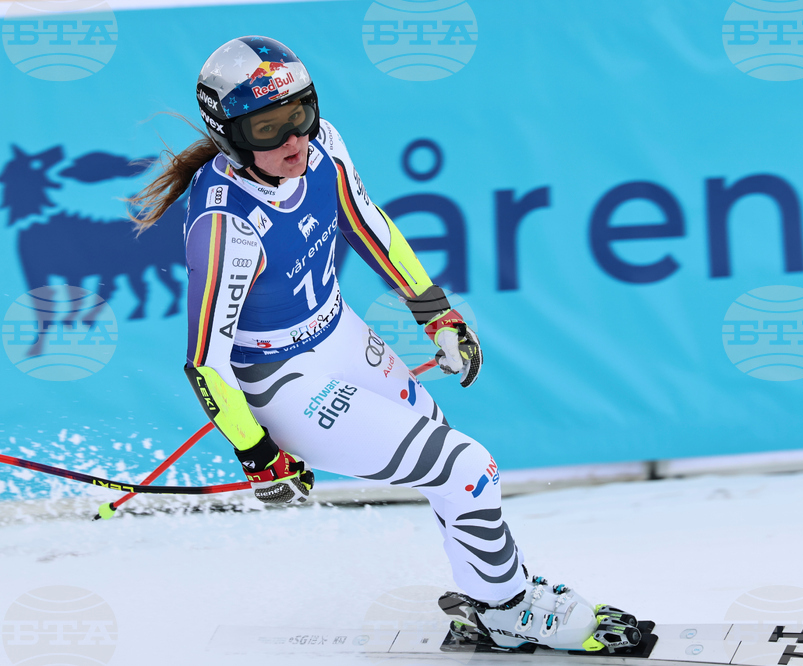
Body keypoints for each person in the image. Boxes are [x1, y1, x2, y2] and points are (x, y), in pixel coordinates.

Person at [129, 35, 640, 653]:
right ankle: (510, 611)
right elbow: (205, 362)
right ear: (230, 135)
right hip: (284, 383)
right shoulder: (225, 225)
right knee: (466, 466)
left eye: (300, 114)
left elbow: (369, 225)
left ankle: (492, 594)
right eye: (268, 129)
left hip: (338, 333)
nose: (294, 141)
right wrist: (257, 450)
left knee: (448, 456)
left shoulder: (323, 148)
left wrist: (437, 313)